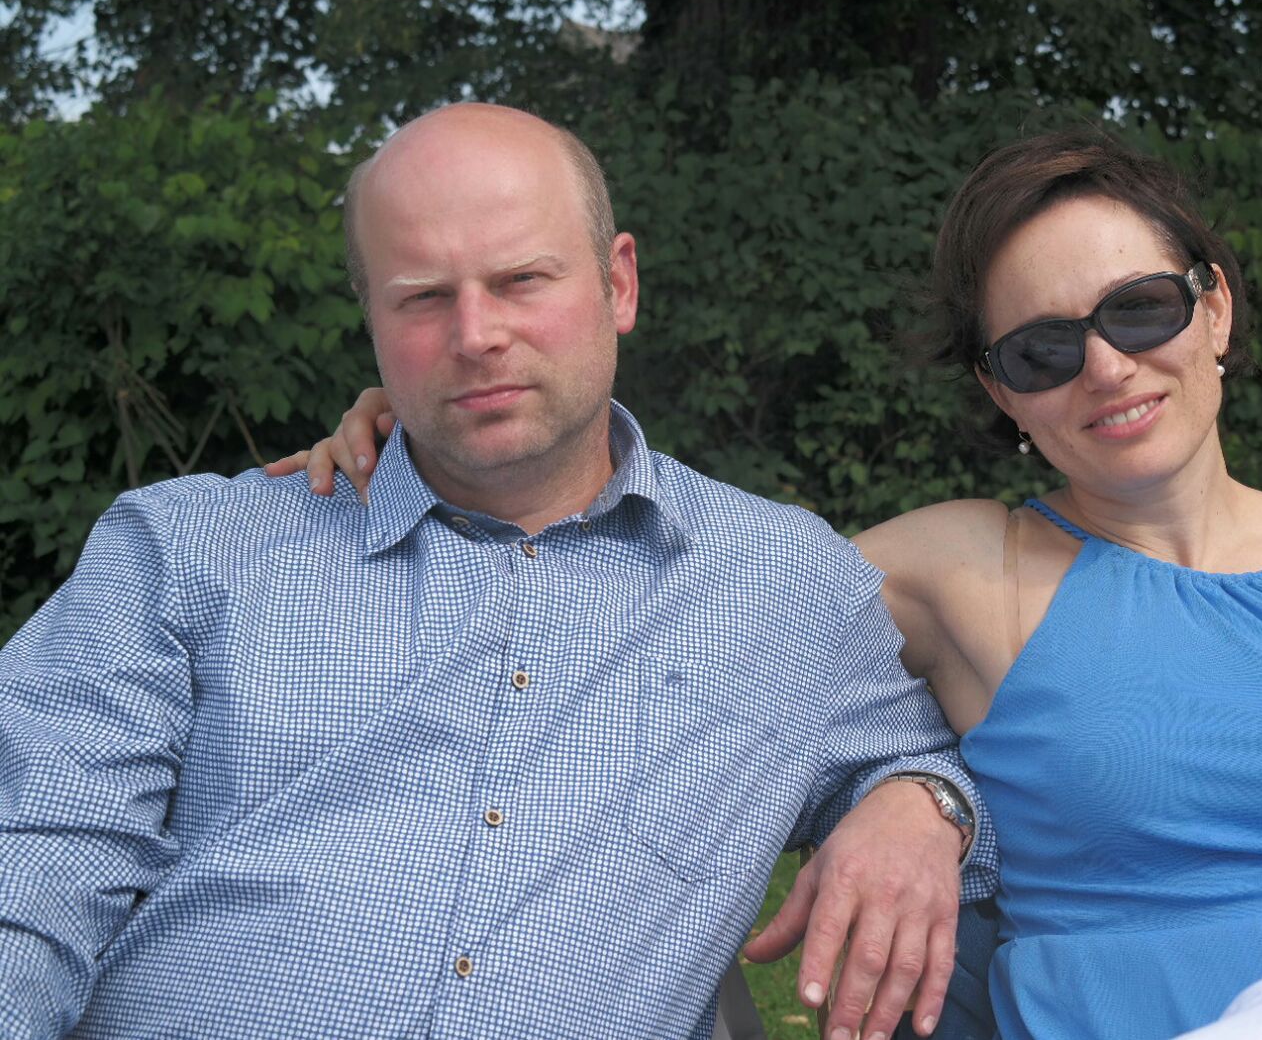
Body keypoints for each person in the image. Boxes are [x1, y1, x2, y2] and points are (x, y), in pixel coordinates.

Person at [291, 125, 1262, 1039]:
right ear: (998, 392)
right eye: (1042, 347)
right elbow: (646, 581)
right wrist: (437, 422)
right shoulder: (958, 568)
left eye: (1138, 310)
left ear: (1214, 308)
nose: (1107, 369)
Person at [0, 103, 999, 1040]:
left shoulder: (784, 584)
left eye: (522, 279)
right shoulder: (188, 551)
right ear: (372, 319)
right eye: (424, 297)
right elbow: (31, 862)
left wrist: (923, 805)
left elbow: (939, 762)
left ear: (619, 283)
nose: (476, 336)